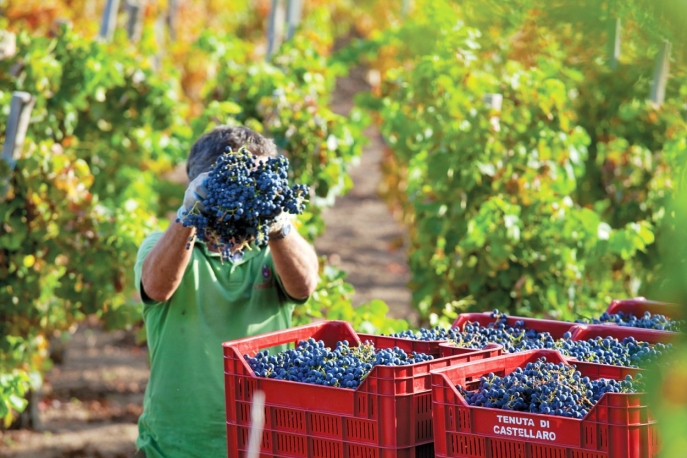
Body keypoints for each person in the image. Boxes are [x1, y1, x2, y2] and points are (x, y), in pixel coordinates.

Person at [132, 126, 319, 458]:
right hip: (175, 448)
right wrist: (189, 217)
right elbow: (158, 288)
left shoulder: (274, 250)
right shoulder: (166, 247)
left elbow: (304, 284)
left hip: (266, 442)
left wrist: (278, 224)